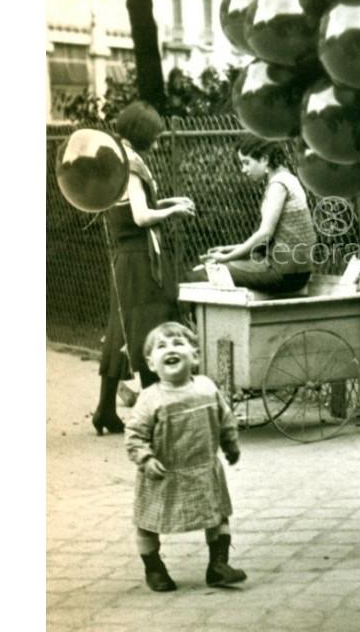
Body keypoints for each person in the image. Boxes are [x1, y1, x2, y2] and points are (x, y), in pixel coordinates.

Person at [94, 101, 195, 436]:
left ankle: (106, 410)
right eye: (154, 133)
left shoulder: (116, 159)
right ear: (142, 133)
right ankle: (157, 412)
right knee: (148, 325)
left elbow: (134, 208)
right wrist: (173, 213)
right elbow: (141, 217)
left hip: (126, 256)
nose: (158, 138)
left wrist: (170, 202)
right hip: (138, 257)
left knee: (123, 328)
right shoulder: (133, 166)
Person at [125, 321, 246, 592]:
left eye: (179, 344)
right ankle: (154, 568)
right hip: (162, 474)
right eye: (162, 346)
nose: (171, 349)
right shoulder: (150, 398)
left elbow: (225, 418)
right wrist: (145, 458)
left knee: (217, 515)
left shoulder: (206, 388)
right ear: (151, 363)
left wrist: (231, 445)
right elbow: (134, 434)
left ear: (195, 356)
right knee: (148, 522)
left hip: (204, 471)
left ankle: (218, 565)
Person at [201, 135, 317, 294]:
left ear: (264, 159)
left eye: (246, 163)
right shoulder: (290, 179)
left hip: (283, 272)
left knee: (200, 274)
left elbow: (264, 235)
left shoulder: (278, 185)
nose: (243, 169)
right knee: (217, 268)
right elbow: (269, 240)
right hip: (296, 272)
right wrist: (227, 250)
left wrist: (226, 258)